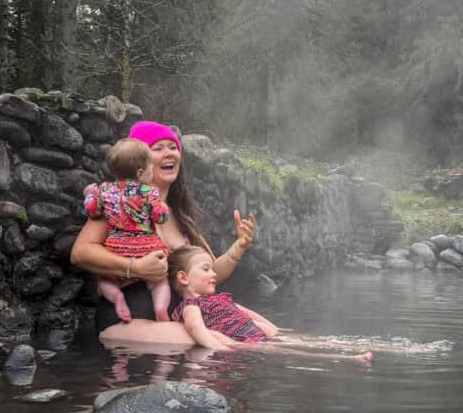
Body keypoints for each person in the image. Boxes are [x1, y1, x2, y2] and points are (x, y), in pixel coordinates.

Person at [70, 120, 255, 345]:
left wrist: (239, 247)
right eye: (157, 148)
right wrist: (134, 267)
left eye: (173, 147)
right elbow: (80, 252)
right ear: (140, 162)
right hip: (127, 321)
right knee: (226, 342)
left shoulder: (179, 216)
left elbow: (209, 273)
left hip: (178, 317)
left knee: (266, 333)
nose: (169, 153)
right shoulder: (118, 203)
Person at [168, 245, 374, 362]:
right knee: (289, 350)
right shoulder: (190, 306)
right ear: (183, 278)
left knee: (299, 342)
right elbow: (195, 326)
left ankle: (346, 344)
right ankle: (349, 358)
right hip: (244, 341)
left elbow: (248, 313)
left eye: (212, 269)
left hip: (255, 333)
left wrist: (275, 330)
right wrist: (219, 347)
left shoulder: (217, 299)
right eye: (206, 270)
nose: (214, 274)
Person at [82, 138, 171, 322]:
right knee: (160, 279)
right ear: (140, 173)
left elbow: (92, 211)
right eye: (150, 168)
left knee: (105, 279)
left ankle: (117, 297)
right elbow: (160, 217)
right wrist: (163, 208)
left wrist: (89, 194)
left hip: (116, 250)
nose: (152, 171)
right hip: (147, 249)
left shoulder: (104, 190)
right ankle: (161, 308)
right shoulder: (149, 192)